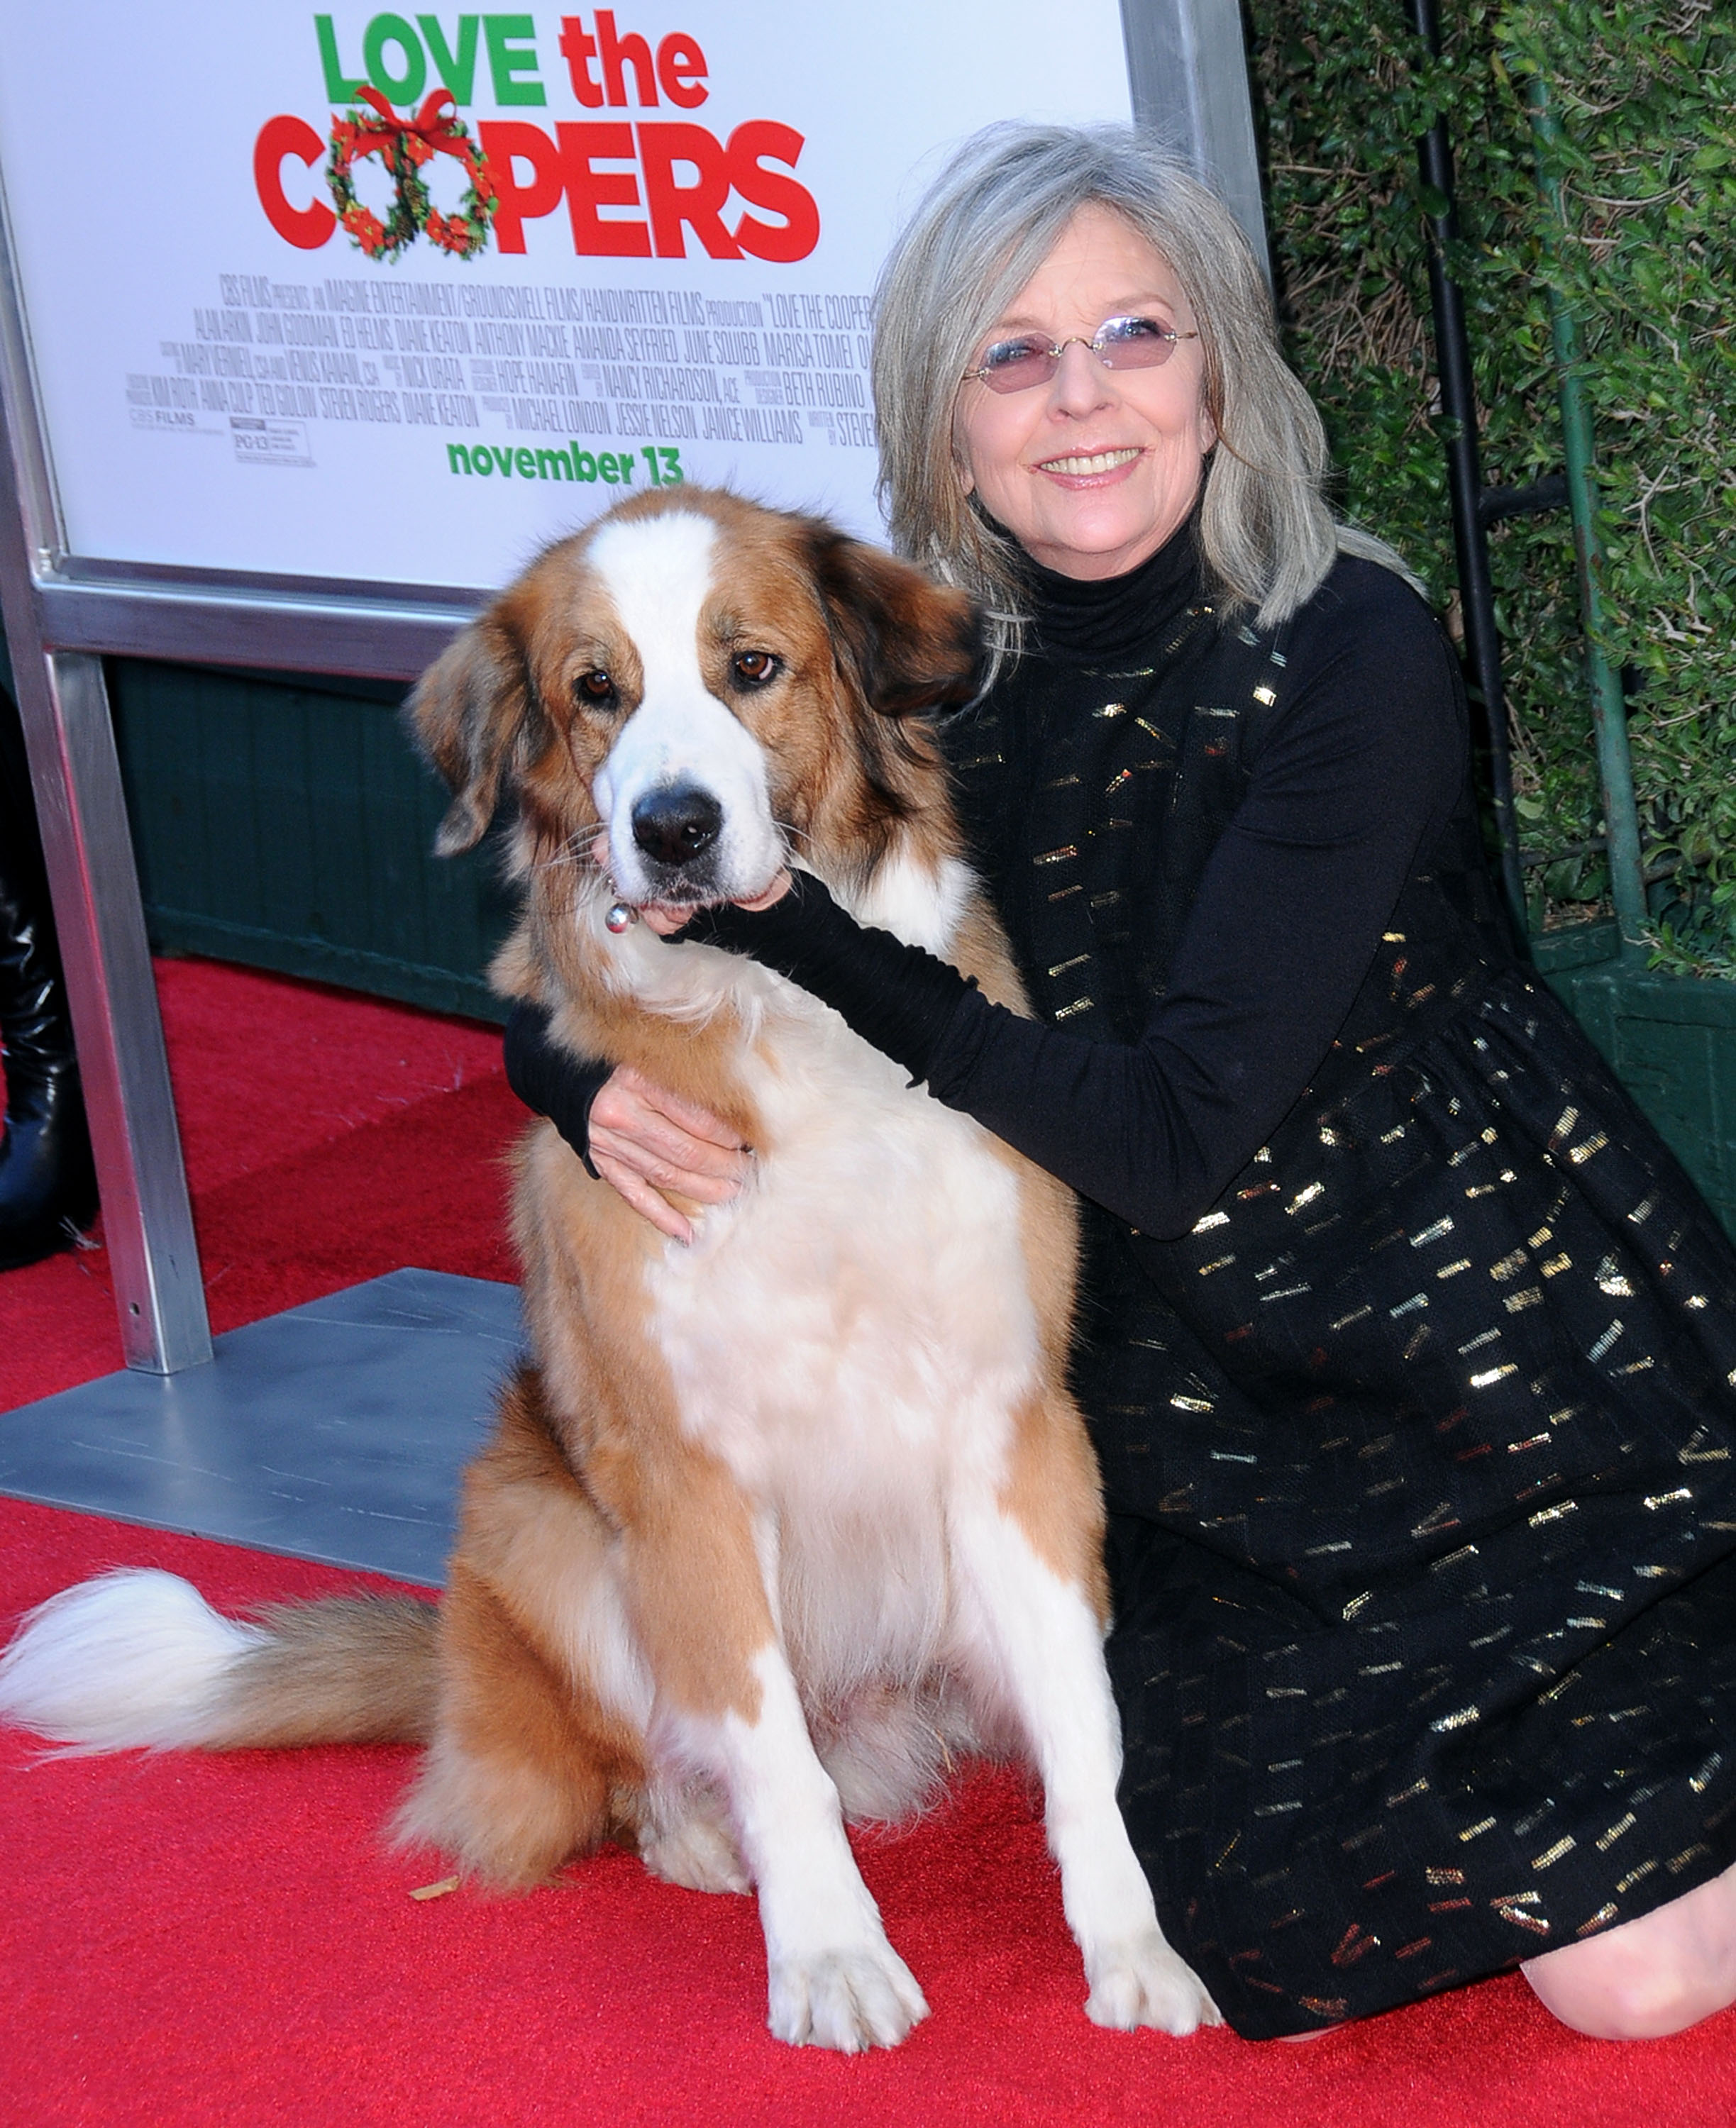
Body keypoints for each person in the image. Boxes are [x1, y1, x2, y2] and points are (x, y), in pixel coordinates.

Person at [503, 124, 1736, 2042]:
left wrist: (777, 922)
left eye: (1135, 335)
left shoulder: (1355, 654)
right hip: (1189, 1423)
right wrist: (560, 1074)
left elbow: (1166, 1135)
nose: (1080, 397)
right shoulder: (925, 671)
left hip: (1475, 1364)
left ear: (1221, 372)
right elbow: (602, 842)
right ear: (946, 418)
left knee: (1632, 1979)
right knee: (1245, 1927)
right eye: (1013, 354)